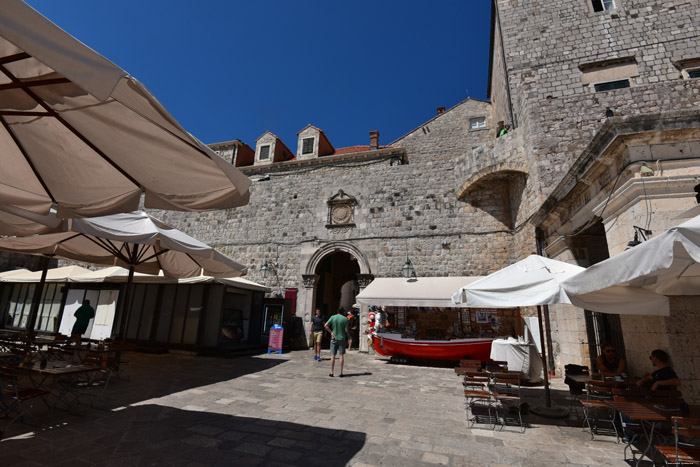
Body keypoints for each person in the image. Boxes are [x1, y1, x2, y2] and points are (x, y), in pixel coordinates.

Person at [325, 308, 349, 378]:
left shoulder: (333, 317)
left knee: (333, 355)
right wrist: (348, 333)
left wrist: (331, 332)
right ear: (343, 312)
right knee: (341, 355)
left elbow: (326, 325)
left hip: (334, 338)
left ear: (337, 311)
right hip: (341, 338)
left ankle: (331, 372)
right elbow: (346, 330)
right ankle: (341, 372)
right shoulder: (345, 319)